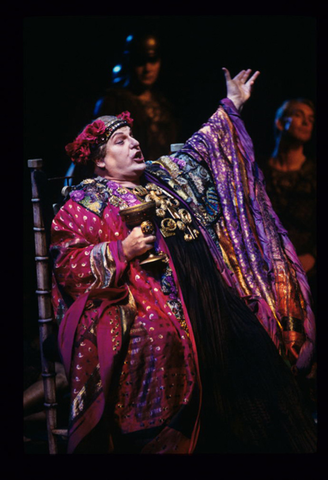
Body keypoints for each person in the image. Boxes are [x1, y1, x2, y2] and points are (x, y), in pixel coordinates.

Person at [50, 68, 317, 454]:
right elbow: (68, 264)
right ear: (100, 162)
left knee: (257, 347)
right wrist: (119, 251)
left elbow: (202, 146)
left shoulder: (164, 175)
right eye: (121, 142)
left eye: (133, 137)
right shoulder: (86, 200)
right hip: (152, 298)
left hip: (209, 291)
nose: (135, 144)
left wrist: (233, 103)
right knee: (168, 341)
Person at [260, 99, 316, 312]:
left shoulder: (313, 174)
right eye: (299, 115)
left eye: (311, 119)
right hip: (265, 267)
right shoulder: (258, 170)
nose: (307, 123)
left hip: (308, 268)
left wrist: (312, 258)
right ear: (281, 123)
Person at [93, 29, 179, 162]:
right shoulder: (113, 101)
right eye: (140, 61)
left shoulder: (164, 104)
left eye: (152, 60)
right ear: (130, 62)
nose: (147, 68)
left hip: (161, 177)